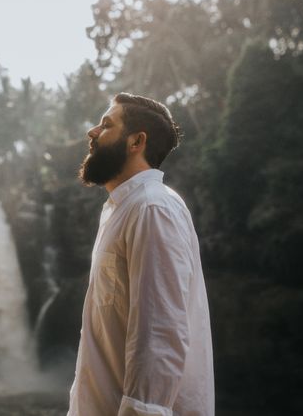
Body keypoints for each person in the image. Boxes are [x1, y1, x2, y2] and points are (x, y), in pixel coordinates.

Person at [68, 93, 214, 416]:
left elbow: (160, 335)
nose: (92, 132)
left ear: (136, 141)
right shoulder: (123, 210)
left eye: (106, 125)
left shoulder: (152, 208)